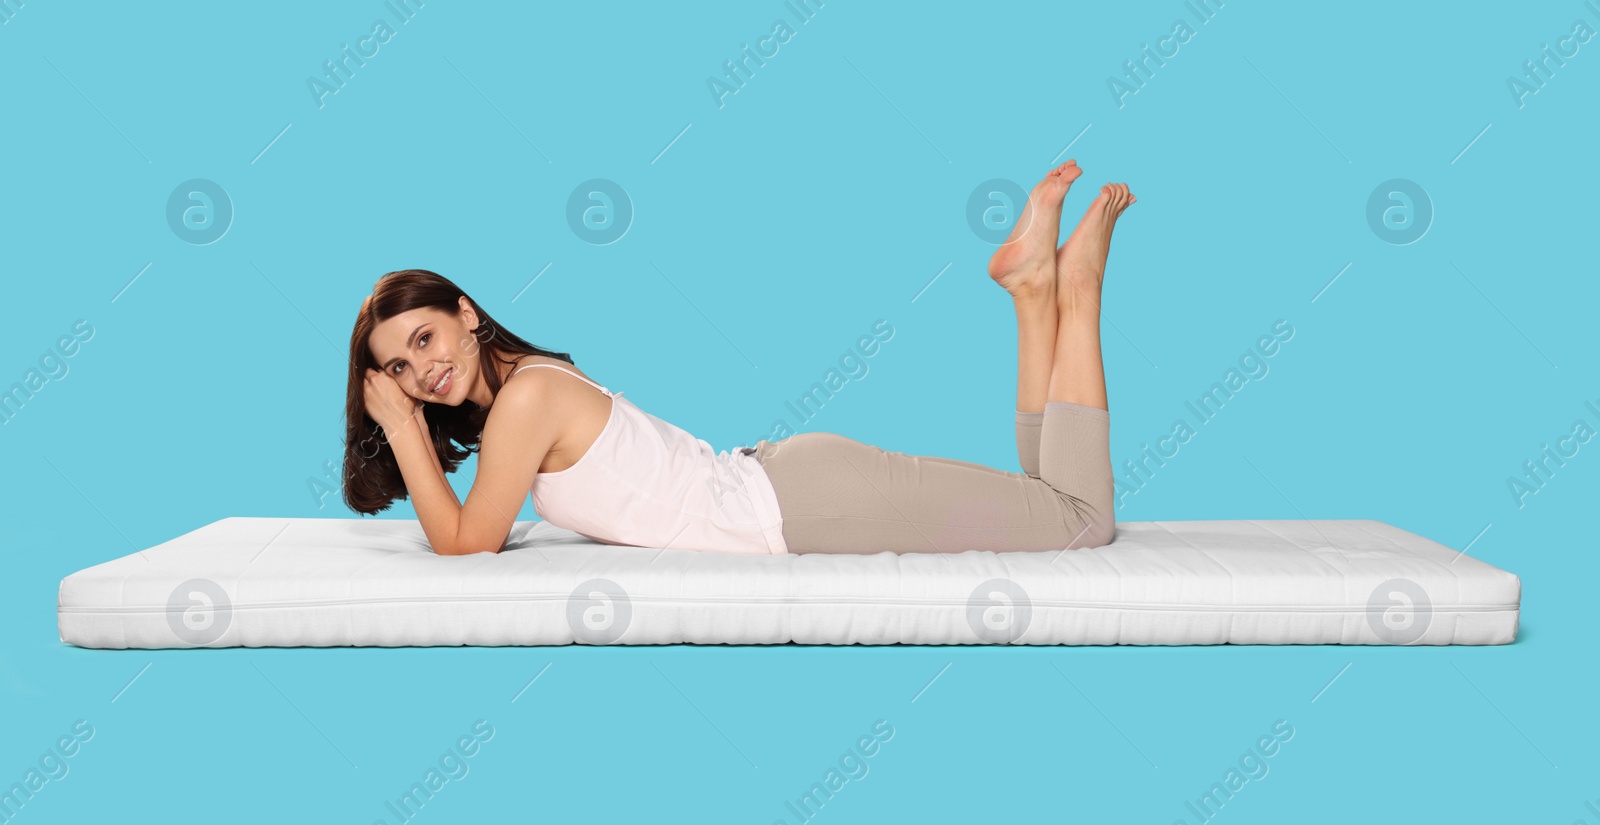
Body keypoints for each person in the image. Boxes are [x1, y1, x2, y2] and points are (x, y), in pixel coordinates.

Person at [344, 160, 1133, 556]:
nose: (423, 372)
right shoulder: (524, 389)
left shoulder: (524, 400)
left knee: (1081, 519)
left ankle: (1079, 287)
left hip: (808, 505)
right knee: (1053, 501)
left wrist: (403, 426)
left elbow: (466, 540)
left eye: (424, 339)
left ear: (467, 315)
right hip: (796, 486)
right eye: (402, 369)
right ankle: (1034, 294)